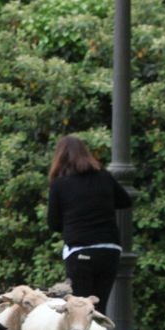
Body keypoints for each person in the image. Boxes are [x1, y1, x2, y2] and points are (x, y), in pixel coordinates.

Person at [46, 134, 133, 314]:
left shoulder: (59, 184)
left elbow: (53, 223)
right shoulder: (104, 177)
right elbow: (125, 201)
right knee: (99, 309)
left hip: (80, 250)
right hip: (109, 249)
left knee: (81, 310)